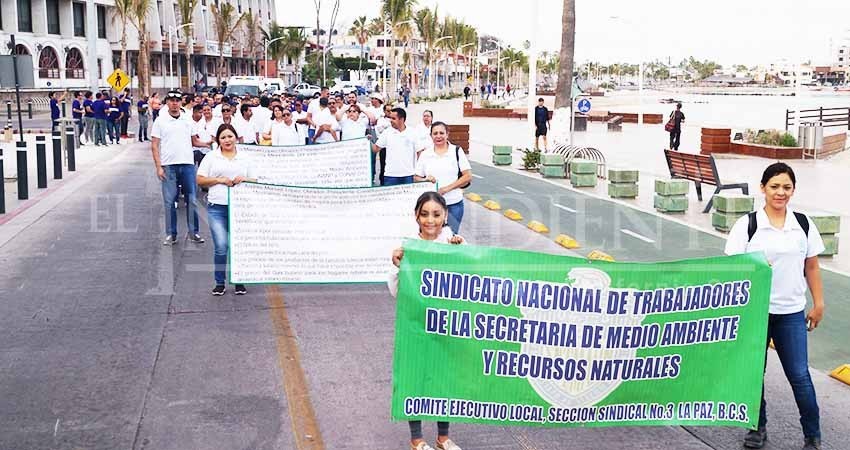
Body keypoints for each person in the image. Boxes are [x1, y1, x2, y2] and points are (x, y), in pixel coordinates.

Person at [724, 162, 824, 450]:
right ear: (763, 189)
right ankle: (757, 428)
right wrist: (754, 265)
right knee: (754, 375)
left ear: (793, 190)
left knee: (800, 376)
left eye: (787, 187)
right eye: (774, 187)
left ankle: (812, 436)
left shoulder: (802, 224)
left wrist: (819, 304)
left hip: (791, 313)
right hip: (756, 312)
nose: (780, 193)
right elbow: (733, 266)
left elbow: (813, 267)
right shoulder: (748, 225)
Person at [388, 191, 465, 450]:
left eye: (436, 214)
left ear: (445, 216)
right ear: (416, 217)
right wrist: (400, 265)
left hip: (445, 327)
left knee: (444, 379)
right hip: (417, 326)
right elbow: (396, 291)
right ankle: (417, 439)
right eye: (424, 214)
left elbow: (472, 281)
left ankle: (443, 437)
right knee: (416, 378)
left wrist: (461, 251)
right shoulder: (408, 247)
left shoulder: (453, 243)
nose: (430, 220)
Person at [196, 123, 255, 296]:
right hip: (217, 207)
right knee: (221, 246)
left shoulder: (245, 157)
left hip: (240, 207)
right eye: (223, 137)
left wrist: (243, 178)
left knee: (238, 245)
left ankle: (239, 281)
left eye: (230, 136)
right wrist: (220, 180)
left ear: (236, 137)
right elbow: (200, 179)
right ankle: (219, 282)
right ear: (218, 140)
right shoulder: (212, 157)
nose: (227, 140)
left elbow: (256, 179)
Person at [151, 90, 204, 246]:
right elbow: (154, 145)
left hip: (187, 164)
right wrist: (158, 167)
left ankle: (194, 232)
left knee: (192, 200)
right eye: (171, 100)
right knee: (169, 201)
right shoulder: (160, 121)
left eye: (177, 100)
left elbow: (195, 141)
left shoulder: (188, 119)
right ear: (167, 102)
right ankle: (171, 234)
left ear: (181, 102)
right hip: (169, 165)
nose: (174, 103)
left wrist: (210, 143)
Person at [413, 122, 472, 234]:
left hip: (453, 204)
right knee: (432, 237)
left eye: (441, 133)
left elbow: (467, 176)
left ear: (447, 134)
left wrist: (447, 189)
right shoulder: (425, 154)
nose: (438, 136)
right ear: (431, 136)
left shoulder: (456, 151)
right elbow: (416, 178)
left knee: (451, 237)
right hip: (431, 206)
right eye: (435, 133)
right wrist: (425, 179)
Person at [372, 107, 419, 186]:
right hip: (390, 175)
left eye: (393, 118)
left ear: (402, 119)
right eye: (390, 118)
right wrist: (367, 142)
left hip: (408, 175)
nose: (391, 120)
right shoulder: (387, 132)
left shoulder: (413, 132)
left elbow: (419, 152)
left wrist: (417, 172)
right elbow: (376, 149)